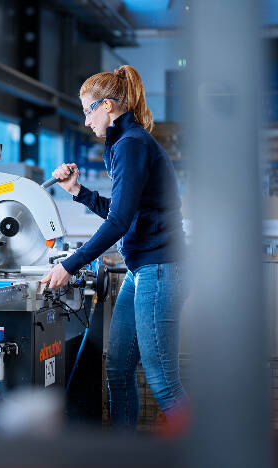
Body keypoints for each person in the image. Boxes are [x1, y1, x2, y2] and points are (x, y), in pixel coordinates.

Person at [40, 65, 189, 431]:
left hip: (159, 268)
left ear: (107, 105)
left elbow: (119, 222)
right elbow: (125, 212)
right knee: (119, 368)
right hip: (144, 271)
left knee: (163, 381)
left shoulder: (131, 145)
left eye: (88, 110)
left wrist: (70, 265)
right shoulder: (124, 144)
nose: (87, 120)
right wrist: (77, 191)